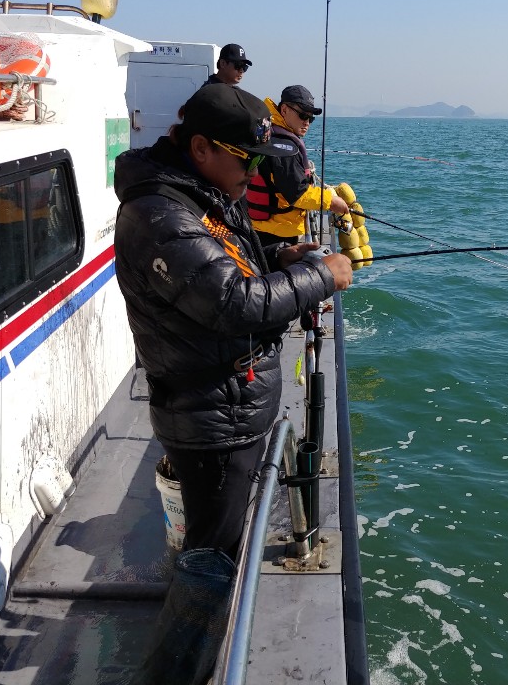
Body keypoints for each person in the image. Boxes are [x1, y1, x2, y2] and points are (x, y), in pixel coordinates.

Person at [113, 84, 353, 562]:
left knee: (222, 539)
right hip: (211, 418)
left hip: (226, 404)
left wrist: (278, 255)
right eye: (249, 159)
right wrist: (320, 276)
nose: (256, 172)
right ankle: (198, 611)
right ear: (201, 147)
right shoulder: (162, 215)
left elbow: (221, 264)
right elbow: (233, 302)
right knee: (213, 557)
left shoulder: (199, 192)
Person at [248, 84, 349, 246]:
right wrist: (331, 201)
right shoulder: (284, 149)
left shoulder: (268, 132)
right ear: (284, 110)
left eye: (310, 118)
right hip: (277, 231)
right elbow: (298, 194)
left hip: (262, 226)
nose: (307, 122)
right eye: (302, 115)